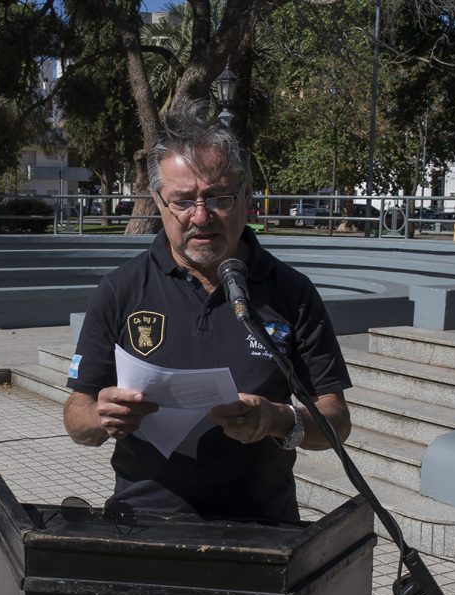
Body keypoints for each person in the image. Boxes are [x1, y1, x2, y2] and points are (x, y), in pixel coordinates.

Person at [63, 99, 352, 522]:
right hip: (144, 524)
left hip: (263, 529)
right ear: (159, 202)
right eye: (182, 201)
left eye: (218, 197)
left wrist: (278, 419)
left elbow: (336, 420)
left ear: (246, 196)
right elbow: (76, 417)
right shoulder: (120, 290)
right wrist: (100, 416)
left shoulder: (292, 292)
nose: (200, 216)